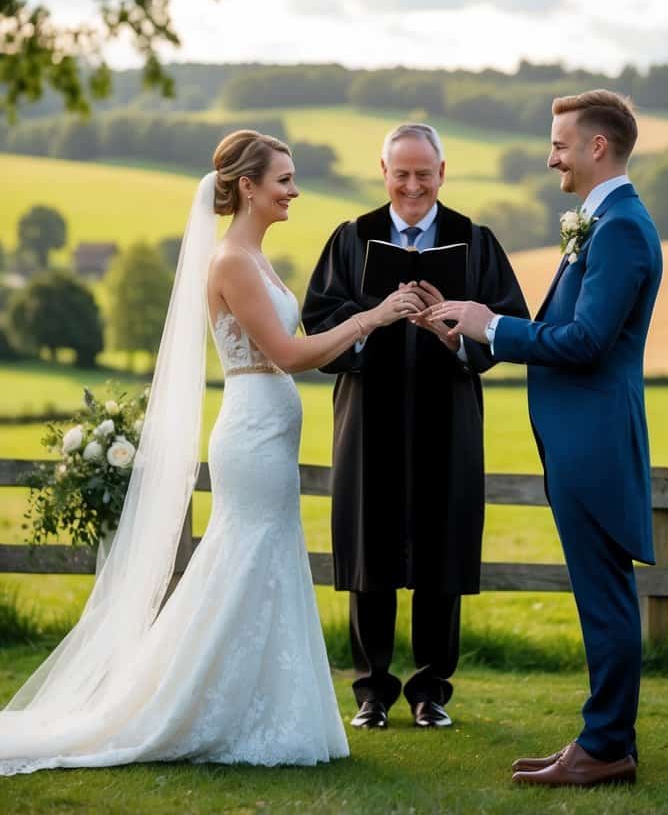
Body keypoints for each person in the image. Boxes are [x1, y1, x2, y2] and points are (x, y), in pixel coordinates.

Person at [0, 129, 423, 774]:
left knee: (266, 562)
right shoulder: (230, 261)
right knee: (241, 560)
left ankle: (264, 706)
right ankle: (187, 707)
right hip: (251, 435)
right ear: (248, 187)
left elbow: (298, 346)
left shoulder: (257, 259)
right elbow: (287, 356)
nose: (294, 190)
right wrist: (373, 318)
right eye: (283, 179)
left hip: (271, 431)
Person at [431, 91, 663, 787]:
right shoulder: (603, 221)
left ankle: (605, 747)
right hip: (577, 435)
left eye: (560, 142)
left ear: (598, 147)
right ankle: (599, 739)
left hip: (591, 438)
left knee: (603, 595)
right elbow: (567, 329)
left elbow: (587, 341)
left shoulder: (619, 227)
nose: (549, 154)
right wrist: (468, 334)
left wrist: (491, 324)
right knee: (600, 593)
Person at [302, 123, 528, 731]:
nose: (411, 185)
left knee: (441, 549)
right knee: (368, 548)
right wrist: (373, 318)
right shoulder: (352, 240)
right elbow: (319, 322)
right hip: (368, 414)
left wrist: (458, 337)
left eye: (423, 174)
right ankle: (371, 691)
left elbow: (510, 325)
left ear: (442, 173)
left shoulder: (474, 242)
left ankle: (432, 691)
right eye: (400, 173)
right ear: (384, 172)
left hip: (446, 414)